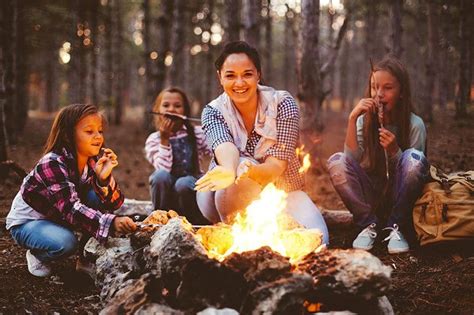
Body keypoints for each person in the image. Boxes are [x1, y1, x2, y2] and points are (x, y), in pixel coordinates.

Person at [195, 41, 329, 244]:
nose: (239, 83)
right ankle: (233, 237)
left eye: (247, 74)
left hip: (280, 188)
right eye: (230, 75)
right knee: (237, 168)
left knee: (320, 241)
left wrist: (250, 172)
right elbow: (224, 145)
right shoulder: (212, 111)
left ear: (258, 74)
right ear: (220, 77)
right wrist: (231, 169)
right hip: (221, 195)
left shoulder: (283, 104)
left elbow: (276, 166)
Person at [6, 104, 136, 277]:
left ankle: (84, 259)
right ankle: (37, 253)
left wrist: (103, 180)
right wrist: (111, 223)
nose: (98, 137)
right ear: (68, 136)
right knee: (66, 242)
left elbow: (115, 203)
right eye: (89, 132)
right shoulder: (52, 163)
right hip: (28, 223)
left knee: (97, 195)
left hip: (57, 216)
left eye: (100, 131)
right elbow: (70, 209)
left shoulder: (91, 162)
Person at [327, 56, 429, 254]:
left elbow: (416, 176)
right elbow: (349, 161)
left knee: (413, 158)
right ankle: (368, 224)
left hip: (403, 201)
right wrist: (352, 118)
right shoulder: (364, 121)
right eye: (375, 87)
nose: (379, 95)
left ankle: (397, 226)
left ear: (401, 92)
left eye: (388, 88)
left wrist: (394, 152)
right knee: (336, 161)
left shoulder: (415, 125)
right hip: (371, 196)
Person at [145, 87, 211, 224]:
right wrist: (164, 140)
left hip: (190, 188)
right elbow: (163, 170)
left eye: (177, 106)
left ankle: (194, 222)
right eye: (166, 105)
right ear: (158, 110)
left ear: (185, 111)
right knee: (159, 176)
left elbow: (215, 151)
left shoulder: (197, 133)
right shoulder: (154, 139)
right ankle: (159, 220)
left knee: (183, 183)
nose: (171, 109)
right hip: (167, 194)